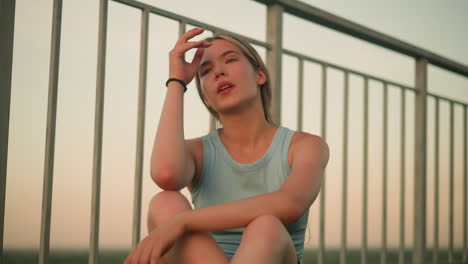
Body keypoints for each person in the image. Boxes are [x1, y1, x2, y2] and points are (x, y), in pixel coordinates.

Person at [125, 28, 329, 264]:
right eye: (206, 71)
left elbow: (289, 203)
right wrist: (177, 82)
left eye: (230, 60)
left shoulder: (305, 146)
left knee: (266, 226)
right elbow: (166, 174)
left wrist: (181, 222)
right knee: (164, 202)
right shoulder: (197, 152)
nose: (219, 72)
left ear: (260, 75)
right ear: (205, 98)